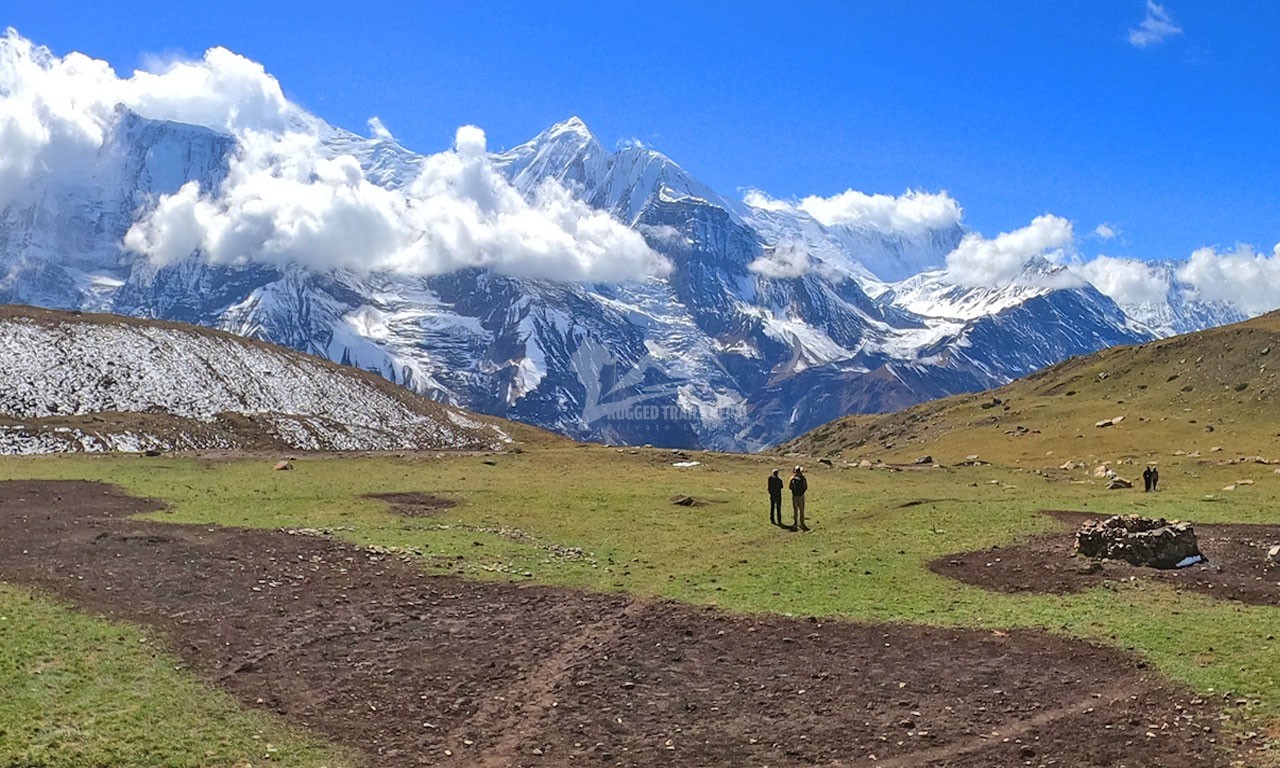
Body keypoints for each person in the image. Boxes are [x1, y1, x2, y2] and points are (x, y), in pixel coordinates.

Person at [789, 466, 809, 531]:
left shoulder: (792, 478)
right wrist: (802, 492)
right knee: (802, 510)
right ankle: (802, 523)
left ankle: (795, 523)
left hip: (794, 496)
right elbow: (805, 487)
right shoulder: (803, 478)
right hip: (801, 496)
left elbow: (790, 487)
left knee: (795, 510)